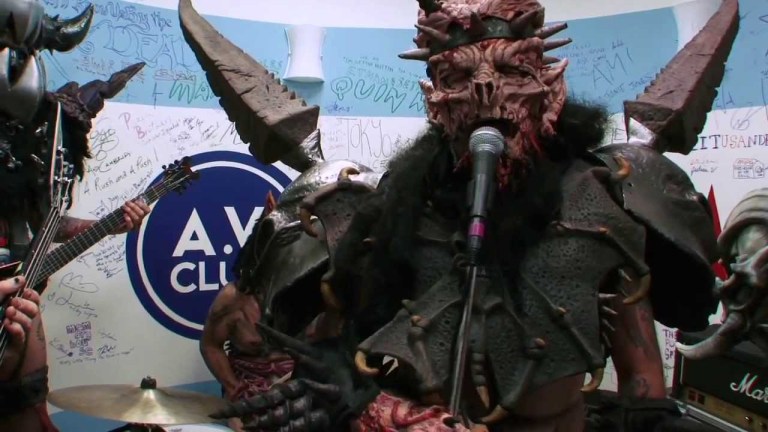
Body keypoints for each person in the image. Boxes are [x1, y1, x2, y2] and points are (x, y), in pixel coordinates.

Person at [181, 0, 752, 430]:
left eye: (511, 72)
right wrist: (371, 403)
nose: (484, 90)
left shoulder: (605, 205)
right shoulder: (387, 215)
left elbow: (641, 387)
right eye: (458, 77)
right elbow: (330, 354)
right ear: (434, 97)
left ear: (549, 88)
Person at [0, 2, 150, 430]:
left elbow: (47, 224)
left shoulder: (22, 161)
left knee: (30, 413)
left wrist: (108, 225)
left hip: (18, 314)